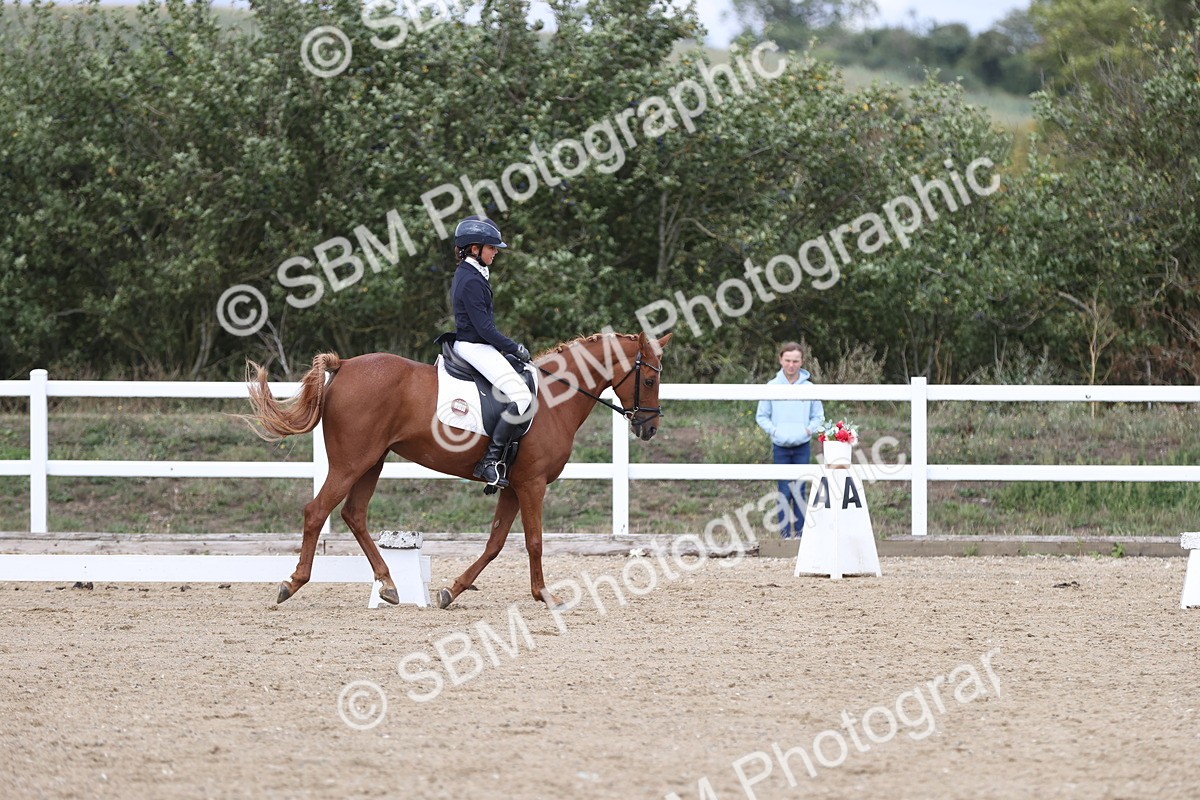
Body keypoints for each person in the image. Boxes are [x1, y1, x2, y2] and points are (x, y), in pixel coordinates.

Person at [449, 216, 532, 488]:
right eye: (492, 247)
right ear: (475, 249)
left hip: (476, 345)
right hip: (475, 345)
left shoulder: (471, 273)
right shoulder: (471, 280)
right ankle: (490, 461)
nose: (496, 252)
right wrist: (514, 347)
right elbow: (485, 329)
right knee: (520, 397)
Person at [755, 342, 824, 538]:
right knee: (784, 491)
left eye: (795, 361)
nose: (791, 365)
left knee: (800, 491)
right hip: (780, 446)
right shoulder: (771, 387)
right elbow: (762, 416)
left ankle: (801, 535)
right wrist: (775, 431)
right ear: (780, 360)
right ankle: (785, 535)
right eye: (787, 360)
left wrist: (808, 430)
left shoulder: (810, 388)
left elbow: (818, 416)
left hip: (802, 445)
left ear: (801, 361)